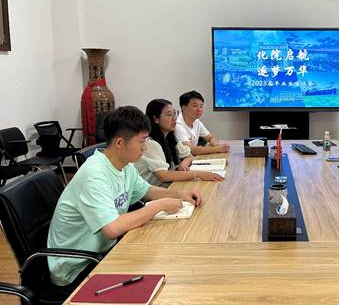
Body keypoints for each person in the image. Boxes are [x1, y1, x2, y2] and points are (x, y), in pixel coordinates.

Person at [47, 106, 202, 288]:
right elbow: (112, 229)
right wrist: (158, 206)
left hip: (104, 251)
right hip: (77, 268)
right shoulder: (94, 173)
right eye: (142, 141)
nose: (145, 147)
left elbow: (147, 191)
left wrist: (181, 194)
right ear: (120, 143)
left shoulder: (124, 165)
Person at [135, 99, 224, 186]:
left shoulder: (171, 138)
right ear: (155, 119)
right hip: (157, 189)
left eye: (175, 113)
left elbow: (189, 156)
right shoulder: (150, 143)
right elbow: (163, 176)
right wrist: (197, 174)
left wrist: (184, 163)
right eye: (169, 115)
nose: (174, 118)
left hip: (170, 184)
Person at [175, 90, 230, 155]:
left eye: (201, 106)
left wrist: (214, 143)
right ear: (184, 108)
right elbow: (190, 150)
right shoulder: (177, 124)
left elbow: (210, 137)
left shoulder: (196, 121)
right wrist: (217, 149)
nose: (199, 109)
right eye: (195, 106)